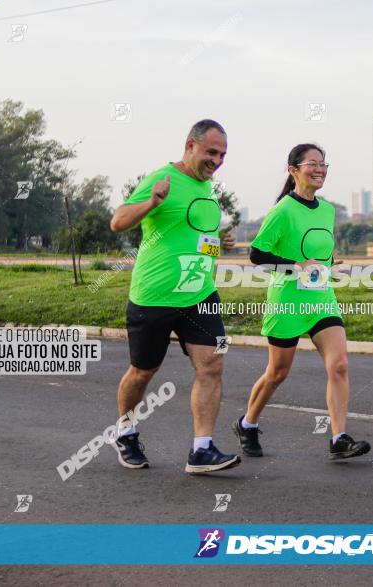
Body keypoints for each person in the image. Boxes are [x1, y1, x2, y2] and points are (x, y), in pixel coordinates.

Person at [109, 119, 241, 474]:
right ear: (190, 145)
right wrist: (151, 202)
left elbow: (198, 236)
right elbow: (118, 221)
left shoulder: (209, 188)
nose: (217, 160)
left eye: (223, 154)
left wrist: (220, 243)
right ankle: (125, 430)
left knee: (213, 363)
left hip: (200, 295)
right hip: (155, 295)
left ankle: (202, 449)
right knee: (143, 371)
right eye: (211, 152)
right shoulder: (161, 178)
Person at [232, 143, 371, 460]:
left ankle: (339, 438)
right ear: (293, 170)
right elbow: (257, 254)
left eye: (324, 164)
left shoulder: (328, 210)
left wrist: (334, 265)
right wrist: (296, 267)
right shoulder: (282, 210)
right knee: (277, 373)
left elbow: (322, 250)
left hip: (321, 299)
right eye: (312, 163)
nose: (320, 169)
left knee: (339, 366)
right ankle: (247, 424)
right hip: (288, 301)